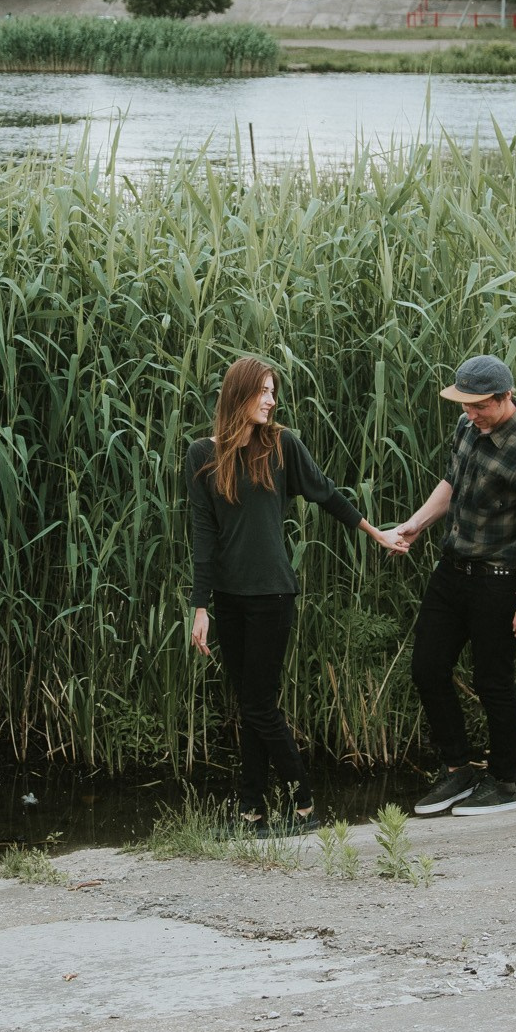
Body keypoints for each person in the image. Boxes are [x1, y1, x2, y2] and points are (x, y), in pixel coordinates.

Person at [188, 357, 405, 833]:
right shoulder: (202, 454)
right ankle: (252, 813)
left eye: (272, 391)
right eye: (262, 391)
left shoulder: (281, 445)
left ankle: (304, 804)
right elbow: (202, 534)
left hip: (272, 596)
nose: (270, 399)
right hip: (227, 596)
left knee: (259, 705)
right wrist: (199, 606)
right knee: (248, 704)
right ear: (237, 394)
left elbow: (325, 494)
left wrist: (377, 534)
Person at [390, 354, 516, 817]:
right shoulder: (470, 429)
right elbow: (453, 480)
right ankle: (458, 772)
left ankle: (504, 782)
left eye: (478, 406)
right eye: (464, 405)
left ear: (504, 397)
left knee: (493, 683)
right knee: (427, 668)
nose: (469, 414)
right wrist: (417, 524)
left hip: (501, 582)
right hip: (453, 571)